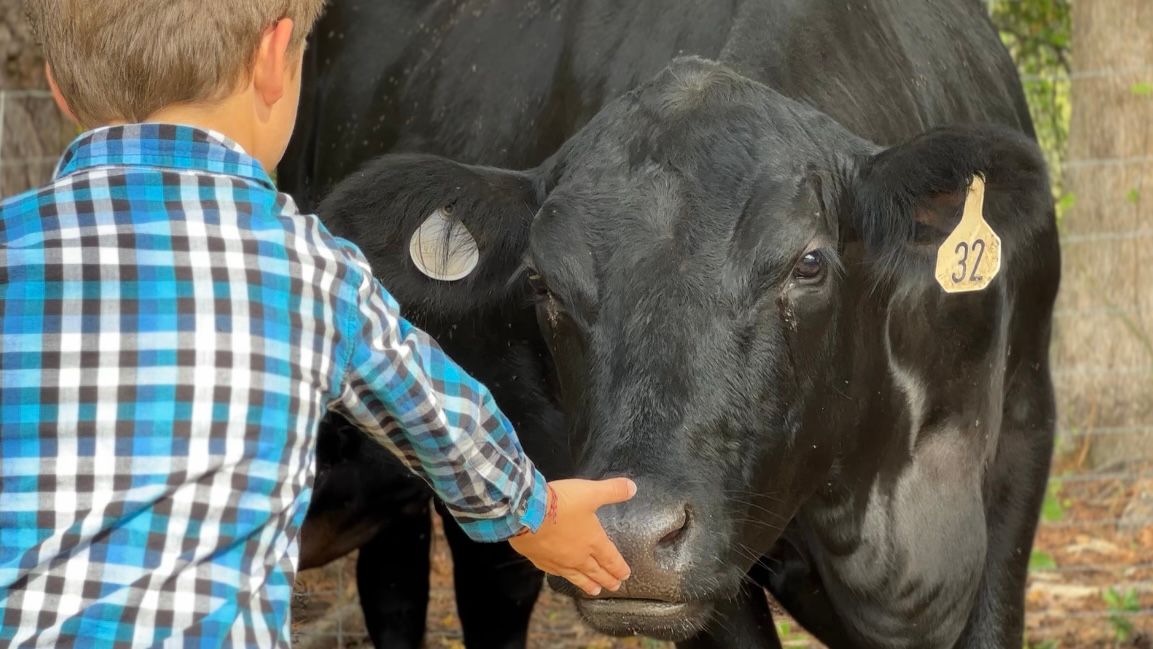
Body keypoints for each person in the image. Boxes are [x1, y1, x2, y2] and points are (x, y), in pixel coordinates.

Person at [0, 1, 636, 645]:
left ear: (56, 84)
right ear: (275, 58)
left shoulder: (9, 250)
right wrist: (536, 512)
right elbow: (441, 417)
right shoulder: (311, 267)